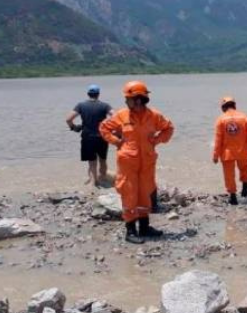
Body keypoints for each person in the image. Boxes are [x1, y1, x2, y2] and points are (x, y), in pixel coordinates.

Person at [99, 81, 174, 244]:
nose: (126, 101)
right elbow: (104, 128)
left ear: (138, 99)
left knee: (145, 192)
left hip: (147, 161)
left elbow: (169, 128)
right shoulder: (121, 115)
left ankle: (145, 227)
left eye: (128, 98)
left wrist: (157, 139)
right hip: (128, 162)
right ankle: (130, 230)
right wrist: (116, 141)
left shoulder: (154, 116)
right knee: (129, 193)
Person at [212, 96, 247, 206]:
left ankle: (233, 197)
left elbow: (218, 139)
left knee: (229, 175)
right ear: (234, 106)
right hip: (243, 151)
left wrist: (215, 155)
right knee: (245, 169)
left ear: (223, 108)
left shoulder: (220, 120)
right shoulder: (244, 117)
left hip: (227, 153)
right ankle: (245, 190)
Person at [66, 85, 113, 187]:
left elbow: (68, 119)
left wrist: (74, 128)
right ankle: (103, 179)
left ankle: (94, 182)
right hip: (102, 136)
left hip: (87, 137)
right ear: (98, 94)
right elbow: (116, 116)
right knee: (102, 160)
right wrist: (110, 127)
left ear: (88, 94)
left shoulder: (81, 105)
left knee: (91, 161)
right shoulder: (105, 106)